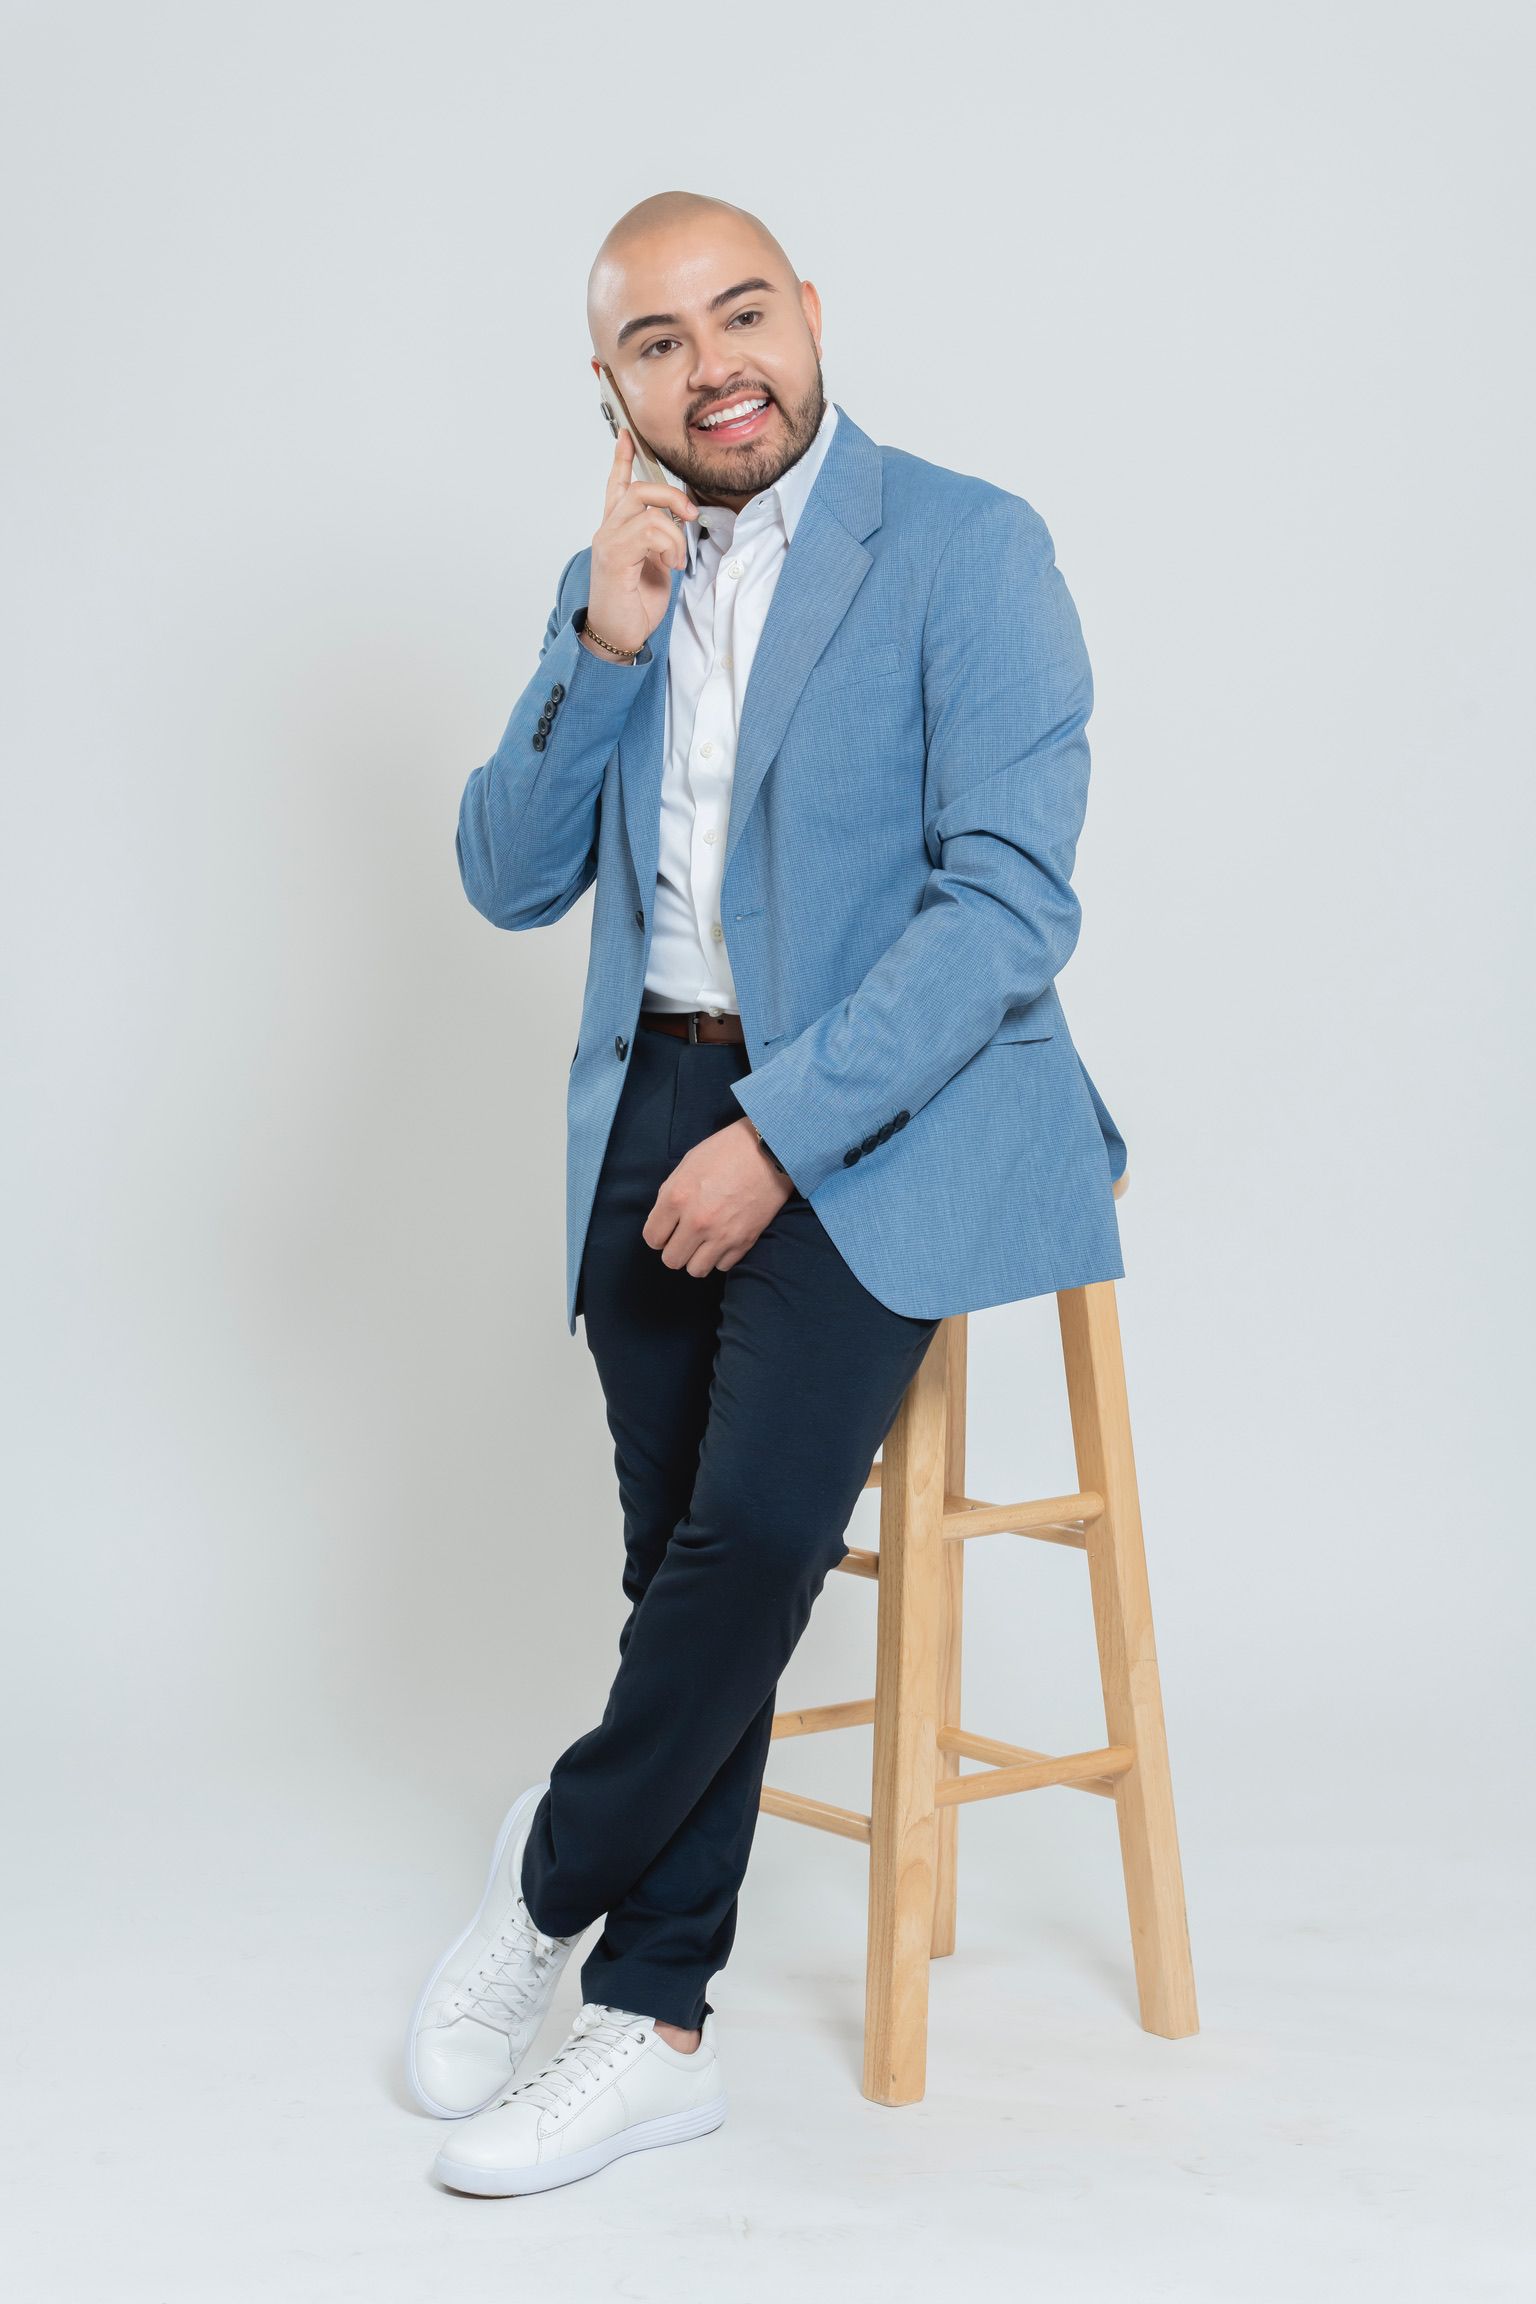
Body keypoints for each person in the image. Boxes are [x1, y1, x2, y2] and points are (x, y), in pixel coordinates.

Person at [407, 189, 1127, 2197]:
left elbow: (1008, 907)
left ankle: (552, 1880)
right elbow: (505, 872)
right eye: (658, 337)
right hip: (648, 1102)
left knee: (746, 1548)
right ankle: (659, 2032)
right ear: (613, 384)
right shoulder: (608, 570)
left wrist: (778, 1134)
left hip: (890, 1117)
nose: (713, 360)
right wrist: (603, 641)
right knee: (682, 1574)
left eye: (743, 313)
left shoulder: (970, 550)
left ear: (811, 317)